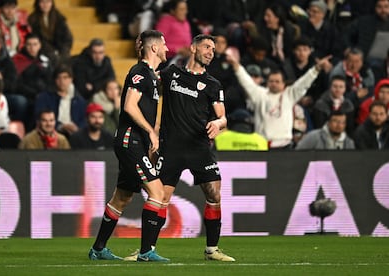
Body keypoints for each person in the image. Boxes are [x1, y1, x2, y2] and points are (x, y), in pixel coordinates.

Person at [88, 30, 170, 262]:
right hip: (129, 140)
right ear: (153, 48)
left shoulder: (152, 76)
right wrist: (150, 131)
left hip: (137, 142)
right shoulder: (139, 73)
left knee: (121, 198)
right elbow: (129, 106)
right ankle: (146, 252)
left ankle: (98, 249)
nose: (167, 48)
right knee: (158, 192)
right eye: (163, 44)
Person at [158, 34, 235, 261]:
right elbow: (149, 90)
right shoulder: (171, 74)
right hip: (171, 147)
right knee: (159, 198)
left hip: (199, 148)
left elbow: (223, 118)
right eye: (207, 47)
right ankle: (146, 250)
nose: (211, 51)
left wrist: (217, 123)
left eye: (213, 49)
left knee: (214, 194)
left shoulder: (213, 85)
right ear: (193, 48)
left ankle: (212, 249)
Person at [226, 47, 332, 149]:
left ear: (283, 84)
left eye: (277, 81)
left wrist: (316, 69)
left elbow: (303, 83)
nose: (274, 84)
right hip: (263, 145)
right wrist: (236, 65)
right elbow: (247, 82)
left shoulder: (289, 95)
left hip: (284, 146)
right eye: (271, 81)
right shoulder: (260, 94)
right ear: (267, 83)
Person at [12, 33, 52, 130]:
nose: (32, 48)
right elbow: (17, 84)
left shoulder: (46, 61)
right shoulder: (18, 60)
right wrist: (35, 94)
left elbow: (51, 79)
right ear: (24, 45)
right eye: (29, 44)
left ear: (40, 45)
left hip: (44, 93)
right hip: (27, 95)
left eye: (35, 44)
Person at [35, 64, 86, 138]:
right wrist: (61, 126)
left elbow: (84, 120)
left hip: (74, 134)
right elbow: (39, 118)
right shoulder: (44, 98)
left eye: (65, 78)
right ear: (55, 80)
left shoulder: (79, 100)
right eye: (58, 78)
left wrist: (77, 128)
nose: (62, 81)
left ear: (71, 79)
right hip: (50, 133)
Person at [155, 0, 192, 66]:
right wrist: (177, 50)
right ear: (172, 11)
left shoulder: (186, 23)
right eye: (181, 9)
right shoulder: (166, 21)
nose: (185, 12)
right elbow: (156, 43)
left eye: (186, 9)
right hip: (168, 59)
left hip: (185, 58)